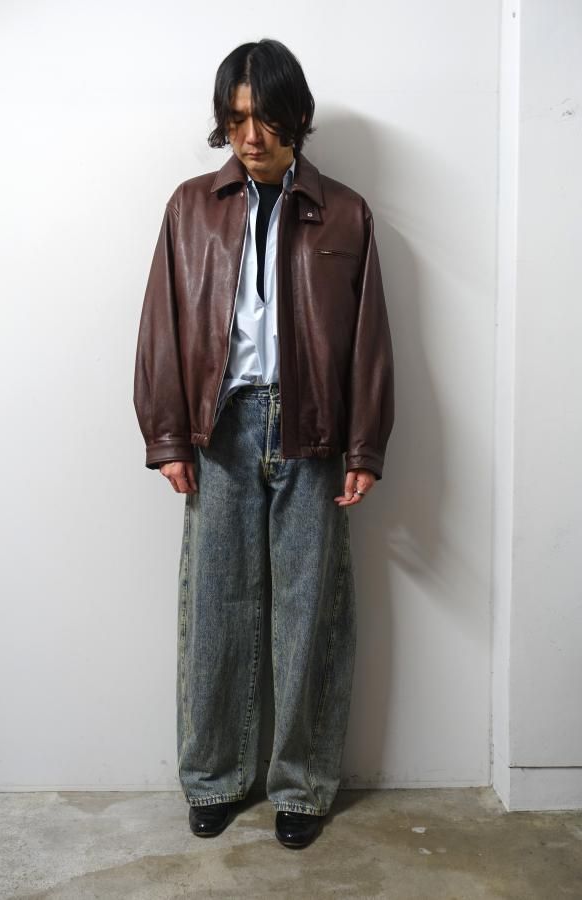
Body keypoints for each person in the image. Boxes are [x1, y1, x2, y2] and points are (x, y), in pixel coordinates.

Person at [133, 38, 394, 849]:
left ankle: (303, 786)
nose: (250, 134)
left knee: (310, 614)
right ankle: (215, 777)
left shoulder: (344, 212)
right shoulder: (191, 207)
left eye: (266, 116)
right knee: (216, 608)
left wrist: (364, 447)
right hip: (220, 427)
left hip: (313, 428)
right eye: (236, 117)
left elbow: (370, 339)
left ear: (296, 116)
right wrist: (168, 435)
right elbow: (163, 324)